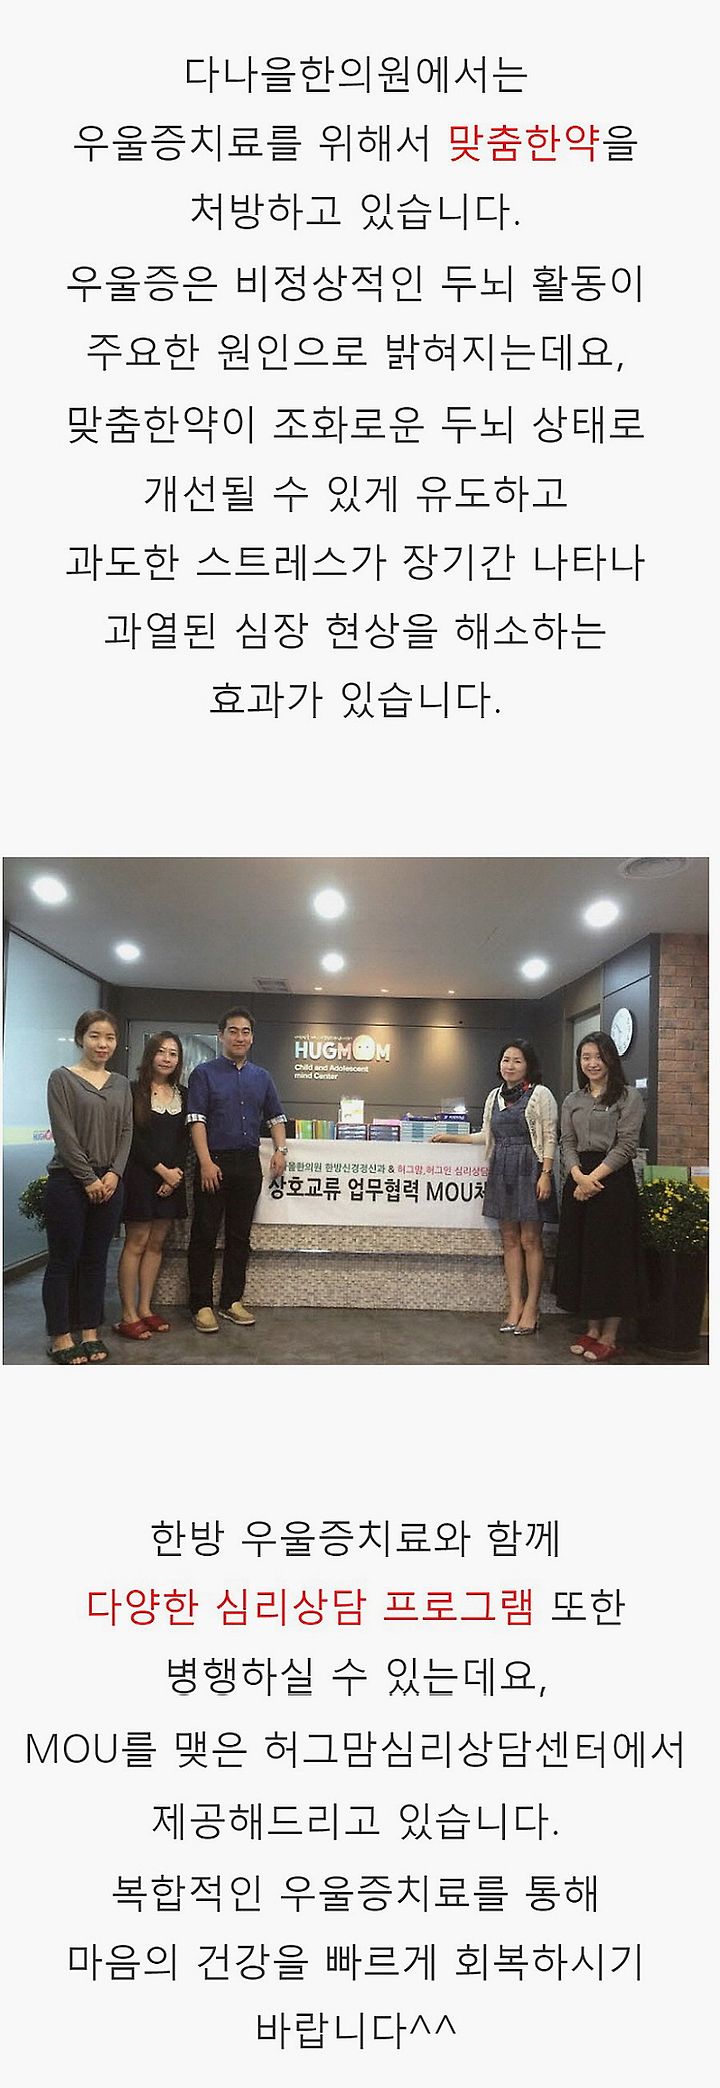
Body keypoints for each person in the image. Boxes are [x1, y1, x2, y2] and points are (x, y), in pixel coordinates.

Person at [432, 1041, 558, 1334]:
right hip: (502, 1169)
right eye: (506, 1060)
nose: (510, 1066)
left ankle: (532, 1307)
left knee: (530, 1240)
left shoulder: (540, 1094)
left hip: (531, 1168)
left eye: (517, 1061)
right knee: (509, 1240)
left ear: (528, 1065)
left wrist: (546, 1173)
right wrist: (452, 1138)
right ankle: (515, 1304)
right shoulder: (494, 1096)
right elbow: (487, 1135)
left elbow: (550, 1135)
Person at [185, 1008, 288, 1333]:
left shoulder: (262, 1077)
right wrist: (205, 1161)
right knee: (204, 1235)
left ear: (252, 1037)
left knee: (240, 1237)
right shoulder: (204, 1074)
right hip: (213, 1162)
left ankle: (231, 1301)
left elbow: (276, 1117)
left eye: (245, 1031)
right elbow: (196, 1120)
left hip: (248, 1164)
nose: (239, 1037)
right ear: (221, 1035)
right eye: (233, 1031)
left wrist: (281, 1150)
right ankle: (201, 1305)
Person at [42, 1010, 133, 1363]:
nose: (102, 1044)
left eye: (109, 1037)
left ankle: (91, 1330)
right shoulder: (62, 1079)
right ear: (81, 1038)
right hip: (69, 1180)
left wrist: (114, 1173)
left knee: (96, 1259)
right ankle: (61, 1335)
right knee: (63, 1260)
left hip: (110, 1182)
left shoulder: (121, 1084)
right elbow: (64, 1135)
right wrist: (88, 1178)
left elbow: (126, 1131)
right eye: (95, 1036)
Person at [555, 1031, 646, 1361]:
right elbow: (566, 1142)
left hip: (612, 1183)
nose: (592, 1063)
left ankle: (610, 1335)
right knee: (585, 1255)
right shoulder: (572, 1099)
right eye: (586, 1057)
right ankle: (592, 1329)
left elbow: (627, 1145)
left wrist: (591, 1179)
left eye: (598, 1056)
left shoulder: (628, 1097)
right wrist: (578, 1176)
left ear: (610, 1059)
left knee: (613, 1258)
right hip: (579, 1180)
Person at [115, 1032, 188, 1340]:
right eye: (161, 1052)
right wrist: (162, 1171)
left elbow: (185, 1139)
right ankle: (127, 1314)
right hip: (141, 1177)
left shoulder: (184, 1094)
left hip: (172, 1181)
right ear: (150, 1055)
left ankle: (145, 1308)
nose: (167, 1058)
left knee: (157, 1244)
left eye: (173, 1053)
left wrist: (175, 1175)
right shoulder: (133, 1091)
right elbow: (131, 1138)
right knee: (136, 1242)